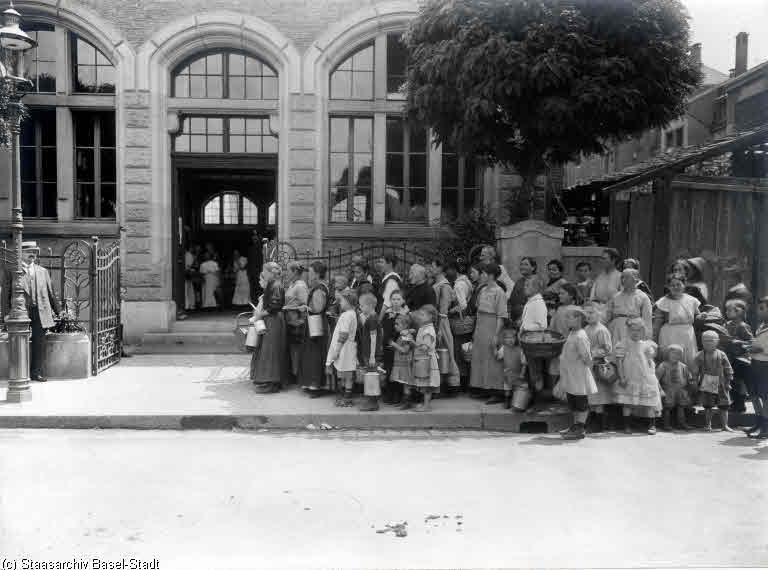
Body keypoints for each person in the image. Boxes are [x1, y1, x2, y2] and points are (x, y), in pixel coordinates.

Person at [613, 318, 662, 435]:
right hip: (630, 377)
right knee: (628, 402)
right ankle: (627, 425)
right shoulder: (623, 344)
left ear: (642, 331)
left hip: (644, 378)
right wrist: (622, 377)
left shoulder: (646, 344)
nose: (635, 333)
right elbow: (619, 362)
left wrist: (653, 378)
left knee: (649, 402)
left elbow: (650, 363)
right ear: (628, 331)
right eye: (632, 330)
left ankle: (652, 424)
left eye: (638, 330)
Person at [21, 243, 60, 382]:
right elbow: (6, 293)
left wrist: (58, 311)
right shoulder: (13, 270)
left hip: (41, 311)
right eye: (28, 252)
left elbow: (51, 293)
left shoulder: (42, 271)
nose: (32, 255)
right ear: (20, 253)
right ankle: (20, 373)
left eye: (35, 252)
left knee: (39, 343)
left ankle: (36, 373)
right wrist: (6, 314)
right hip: (21, 312)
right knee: (20, 343)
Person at [469, 263, 509, 402]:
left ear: (491, 275)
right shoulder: (482, 290)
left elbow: (501, 316)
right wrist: (475, 331)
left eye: (484, 273)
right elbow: (478, 311)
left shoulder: (499, 292)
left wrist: (497, 335)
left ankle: (496, 391)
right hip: (481, 326)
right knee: (480, 357)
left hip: (492, 325)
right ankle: (484, 387)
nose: (482, 275)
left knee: (492, 359)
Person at [559, 307, 599, 440]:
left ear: (578, 319)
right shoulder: (572, 333)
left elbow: (586, 357)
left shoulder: (581, 336)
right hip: (571, 374)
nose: (566, 320)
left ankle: (580, 427)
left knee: (580, 401)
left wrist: (589, 370)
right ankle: (575, 426)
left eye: (569, 317)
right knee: (573, 401)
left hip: (578, 375)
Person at [250, 262, 288, 394]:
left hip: (274, 320)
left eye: (264, 271)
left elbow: (274, 306)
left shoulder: (276, 285)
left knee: (271, 351)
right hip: (271, 319)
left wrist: (260, 314)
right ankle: (269, 381)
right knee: (268, 350)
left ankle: (273, 383)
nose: (263, 274)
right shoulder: (273, 284)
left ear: (271, 272)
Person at [653, 275, 700, 368]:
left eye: (678, 284)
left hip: (687, 333)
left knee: (688, 358)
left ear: (684, 285)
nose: (675, 287)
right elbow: (657, 321)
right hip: (669, 333)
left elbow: (697, 315)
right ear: (668, 287)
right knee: (670, 356)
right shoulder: (663, 301)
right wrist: (654, 337)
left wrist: (701, 316)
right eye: (672, 285)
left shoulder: (691, 300)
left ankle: (688, 379)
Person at [694, 330, 735, 432]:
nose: (708, 343)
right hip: (707, 382)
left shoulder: (721, 354)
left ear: (717, 342)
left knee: (724, 405)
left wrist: (728, 381)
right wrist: (695, 381)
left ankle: (725, 425)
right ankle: (708, 425)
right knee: (708, 406)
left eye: (711, 340)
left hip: (721, 382)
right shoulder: (699, 355)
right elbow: (695, 370)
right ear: (702, 342)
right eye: (705, 341)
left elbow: (728, 368)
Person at [299, 261, 329, 397]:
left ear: (317, 274)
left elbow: (318, 308)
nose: (309, 275)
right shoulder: (321, 287)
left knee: (315, 355)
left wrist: (305, 308)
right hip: (315, 323)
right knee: (313, 354)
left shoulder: (319, 289)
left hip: (316, 325)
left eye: (311, 272)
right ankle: (313, 384)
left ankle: (316, 385)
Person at [431, 259, 461, 393]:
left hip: (441, 323)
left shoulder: (445, 286)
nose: (430, 269)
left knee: (444, 352)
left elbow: (443, 310)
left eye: (432, 266)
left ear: (439, 268)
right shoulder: (437, 284)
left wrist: (439, 329)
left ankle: (447, 386)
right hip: (436, 321)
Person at [326, 289, 359, 407]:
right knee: (347, 374)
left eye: (342, 301)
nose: (340, 303)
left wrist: (337, 351)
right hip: (349, 348)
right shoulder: (353, 314)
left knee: (345, 375)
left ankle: (346, 398)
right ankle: (347, 397)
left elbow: (343, 334)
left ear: (348, 302)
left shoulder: (346, 315)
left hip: (344, 349)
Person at [584, 302, 614, 432]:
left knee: (598, 397)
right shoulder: (586, 329)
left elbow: (607, 349)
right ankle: (591, 421)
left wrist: (593, 353)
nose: (588, 315)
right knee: (590, 396)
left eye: (591, 312)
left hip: (597, 366)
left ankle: (599, 423)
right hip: (588, 366)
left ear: (599, 314)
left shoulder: (601, 330)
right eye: (586, 313)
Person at [606, 269, 653, 345]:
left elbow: (647, 319)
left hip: (633, 330)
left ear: (635, 279)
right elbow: (606, 315)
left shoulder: (643, 297)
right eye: (622, 277)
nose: (623, 280)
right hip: (615, 330)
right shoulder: (615, 297)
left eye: (627, 277)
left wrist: (647, 338)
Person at [724, 299, 754, 414]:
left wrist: (739, 342)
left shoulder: (742, 326)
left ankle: (740, 404)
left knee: (738, 382)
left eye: (729, 310)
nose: (726, 312)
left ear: (738, 312)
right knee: (731, 380)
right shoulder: (726, 324)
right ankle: (734, 402)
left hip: (739, 359)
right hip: (728, 357)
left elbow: (751, 341)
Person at [744, 297, 768, 439]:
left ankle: (765, 427)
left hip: (765, 365)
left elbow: (763, 348)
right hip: (755, 363)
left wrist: (756, 349)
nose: (759, 312)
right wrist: (750, 347)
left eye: (762, 308)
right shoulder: (761, 326)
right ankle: (758, 422)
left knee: (765, 398)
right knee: (754, 395)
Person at [356, 292, 384, 412]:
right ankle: (371, 399)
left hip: (371, 354)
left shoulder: (372, 319)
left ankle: (372, 402)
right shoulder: (372, 318)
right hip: (369, 353)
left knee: (371, 376)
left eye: (361, 306)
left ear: (369, 306)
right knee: (369, 375)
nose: (360, 308)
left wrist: (372, 356)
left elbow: (373, 338)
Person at [656, 345, 694, 431]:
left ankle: (682, 423)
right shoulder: (663, 365)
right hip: (668, 390)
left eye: (678, 354)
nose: (675, 356)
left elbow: (689, 377)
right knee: (667, 408)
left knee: (681, 407)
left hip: (681, 390)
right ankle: (666, 424)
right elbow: (656, 378)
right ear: (668, 354)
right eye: (673, 354)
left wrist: (690, 385)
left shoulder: (683, 366)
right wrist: (660, 389)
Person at [381, 289, 408, 404]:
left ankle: (398, 394)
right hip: (387, 345)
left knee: (398, 371)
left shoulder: (405, 314)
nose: (395, 301)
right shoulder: (387, 313)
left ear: (403, 301)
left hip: (399, 346)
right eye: (393, 299)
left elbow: (407, 329)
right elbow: (382, 328)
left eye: (398, 299)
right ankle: (389, 393)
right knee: (388, 370)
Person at [283, 261, 309, 383]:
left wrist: (289, 309)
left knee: (297, 349)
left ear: (294, 272)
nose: (285, 273)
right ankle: (294, 372)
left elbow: (304, 306)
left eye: (288, 270)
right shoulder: (292, 284)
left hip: (297, 323)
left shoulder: (300, 286)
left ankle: (298, 374)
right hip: (290, 321)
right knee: (292, 349)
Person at [412, 307, 441, 412]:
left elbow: (425, 347)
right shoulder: (424, 327)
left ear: (430, 317)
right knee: (424, 383)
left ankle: (427, 405)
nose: (420, 317)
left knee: (427, 383)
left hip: (427, 360)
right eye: (420, 315)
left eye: (422, 315)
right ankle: (425, 403)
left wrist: (412, 342)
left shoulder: (428, 330)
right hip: (422, 359)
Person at [390, 313, 416, 409]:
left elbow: (405, 350)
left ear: (405, 325)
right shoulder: (401, 336)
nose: (395, 326)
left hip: (405, 364)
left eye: (397, 324)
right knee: (404, 384)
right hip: (400, 363)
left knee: (406, 384)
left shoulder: (406, 336)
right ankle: (404, 401)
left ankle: (407, 403)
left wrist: (393, 344)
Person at [501, 325, 526, 410]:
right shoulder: (503, 349)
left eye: (512, 338)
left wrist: (522, 374)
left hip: (518, 373)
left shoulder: (520, 350)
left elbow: (524, 363)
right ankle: (507, 400)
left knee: (518, 388)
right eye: (507, 338)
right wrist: (493, 348)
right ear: (504, 340)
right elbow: (498, 356)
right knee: (507, 388)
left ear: (516, 339)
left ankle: (516, 400)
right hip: (507, 373)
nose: (510, 340)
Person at [509, 257, 538, 322]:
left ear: (533, 268)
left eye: (526, 264)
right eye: (521, 264)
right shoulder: (519, 281)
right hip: (516, 317)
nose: (522, 267)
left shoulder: (536, 281)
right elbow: (512, 299)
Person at [246, 231, 263, 302]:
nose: (254, 238)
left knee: (259, 289)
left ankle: (259, 304)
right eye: (253, 236)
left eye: (256, 236)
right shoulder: (250, 248)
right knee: (253, 289)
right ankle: (254, 304)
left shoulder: (262, 247)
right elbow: (249, 261)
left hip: (259, 271)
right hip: (252, 272)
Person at [184, 245, 197, 311]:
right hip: (187, 273)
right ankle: (190, 305)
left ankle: (188, 305)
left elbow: (189, 265)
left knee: (186, 290)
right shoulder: (189, 254)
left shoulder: (188, 254)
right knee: (189, 290)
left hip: (186, 273)